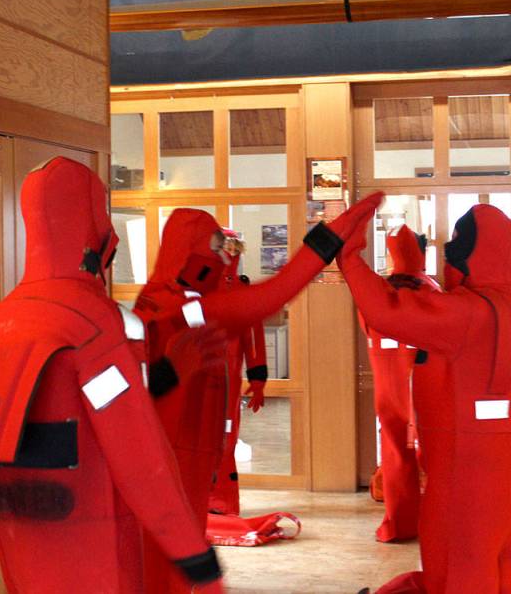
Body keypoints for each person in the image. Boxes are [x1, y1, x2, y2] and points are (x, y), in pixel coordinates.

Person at [0, 157, 224, 593]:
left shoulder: (5, 315)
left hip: (21, 535)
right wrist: (197, 561)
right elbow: (140, 457)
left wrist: (161, 375)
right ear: (94, 224)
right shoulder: (92, 321)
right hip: (95, 542)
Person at [136, 194, 382, 591]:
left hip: (187, 449)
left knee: (180, 548)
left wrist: (257, 375)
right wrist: (336, 233)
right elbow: (276, 293)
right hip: (178, 451)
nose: (221, 256)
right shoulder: (179, 306)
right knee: (173, 554)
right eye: (214, 247)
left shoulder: (174, 299)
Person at [342, 204, 511, 593]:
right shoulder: (509, 304)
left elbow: (383, 311)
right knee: (502, 578)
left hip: (466, 478)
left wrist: (346, 257)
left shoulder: (465, 311)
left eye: (455, 245)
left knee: (453, 573)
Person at [358, 224, 432, 542]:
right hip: (424, 379)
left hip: (388, 376)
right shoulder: (430, 288)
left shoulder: (381, 288)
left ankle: (399, 522)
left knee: (394, 449)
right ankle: (434, 520)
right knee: (431, 450)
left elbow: (367, 323)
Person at [208, 229, 268, 517]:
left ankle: (222, 500)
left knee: (226, 437)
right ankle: (204, 500)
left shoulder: (243, 294)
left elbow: (253, 339)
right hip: (200, 380)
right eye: (225, 248)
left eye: (234, 249)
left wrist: (258, 379)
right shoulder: (200, 291)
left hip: (229, 381)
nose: (230, 254)